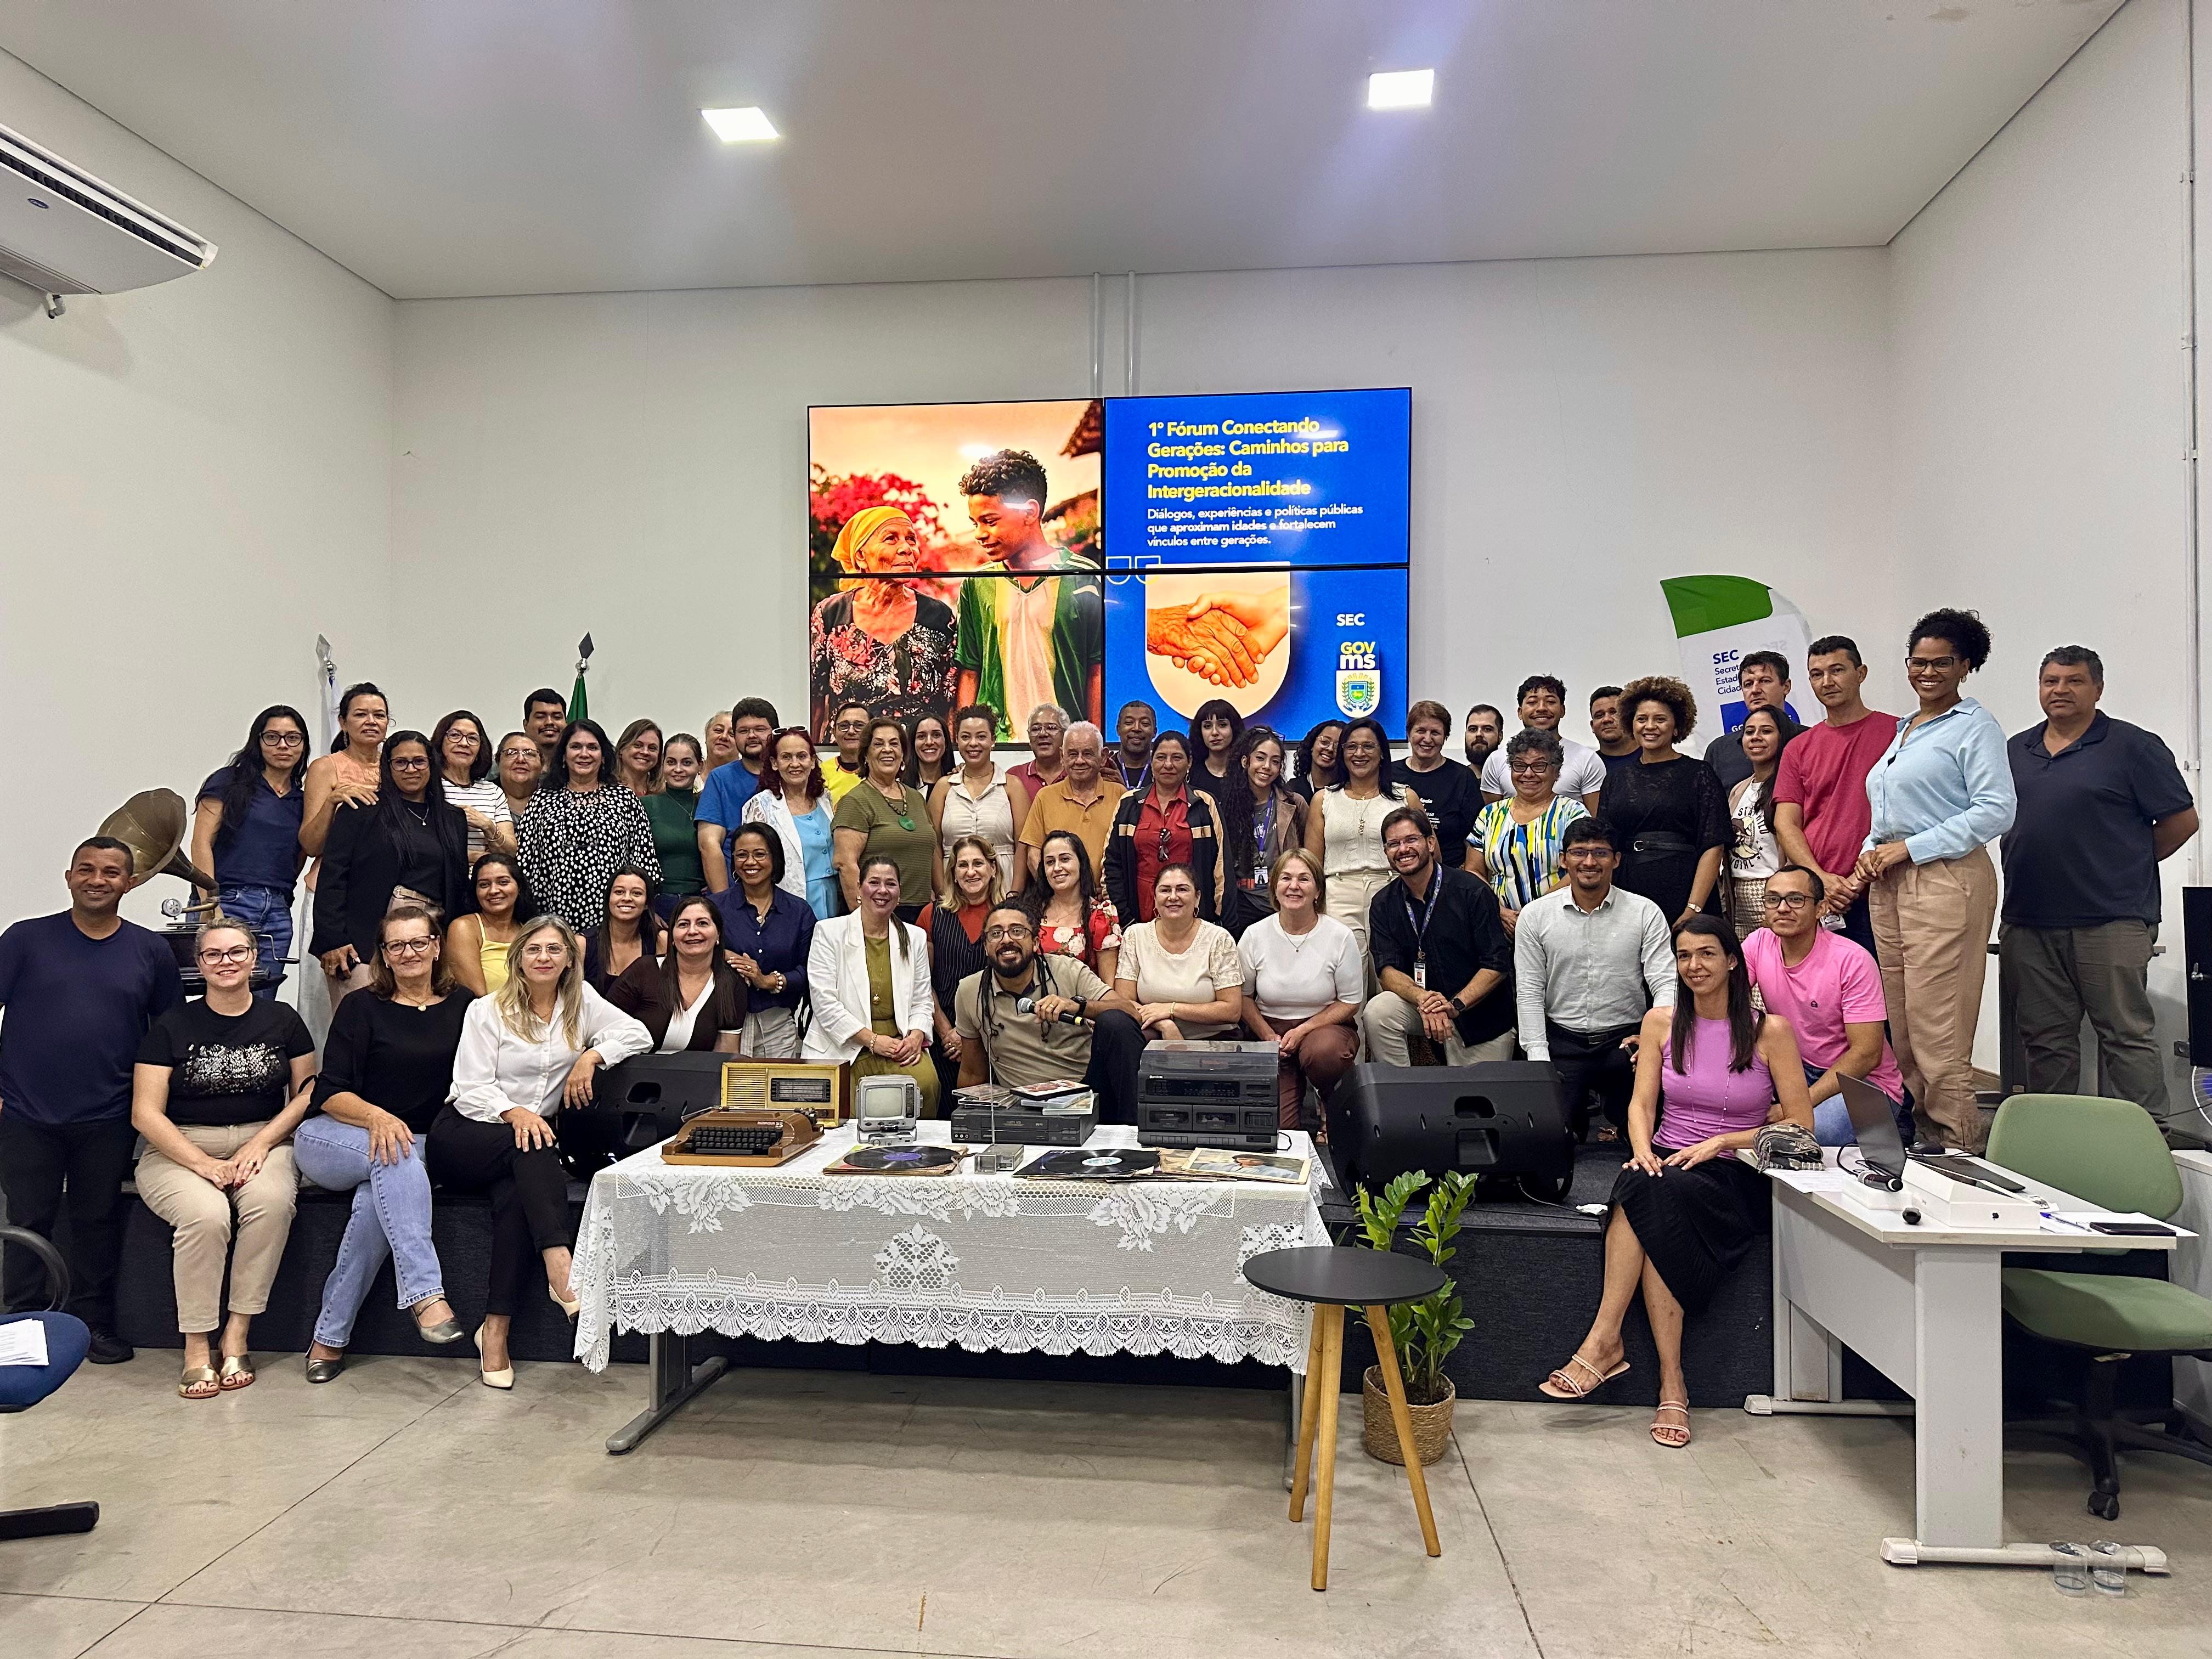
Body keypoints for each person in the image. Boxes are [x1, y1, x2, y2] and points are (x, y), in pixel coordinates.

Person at [1536, 915, 1814, 1447]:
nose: (1694, 966)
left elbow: (1801, 1125)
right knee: (1646, 1182)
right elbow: (1640, 1105)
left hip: (1734, 1173)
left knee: (1645, 1194)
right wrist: (1641, 1148)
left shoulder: (1768, 1031)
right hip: (1664, 1162)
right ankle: (1670, 1382)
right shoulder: (1661, 1022)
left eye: (1707, 954)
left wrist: (1723, 1142)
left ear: (1733, 961)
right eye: (1684, 956)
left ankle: (1605, 1343)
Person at [433, 915, 650, 1386]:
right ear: (518, 959)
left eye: (554, 950)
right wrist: (516, 1113)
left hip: (523, 1148)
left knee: (516, 1194)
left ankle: (495, 1332)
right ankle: (562, 1265)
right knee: (534, 1146)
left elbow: (638, 1034)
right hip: (466, 1135)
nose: (544, 958)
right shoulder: (487, 1010)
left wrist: (592, 1056)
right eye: (534, 950)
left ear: (570, 960)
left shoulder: (583, 1004)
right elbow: (469, 1088)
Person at [0, 838, 183, 1364]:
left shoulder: (150, 950)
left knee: (97, 1221)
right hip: (25, 1113)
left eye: (110, 872)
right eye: (87, 870)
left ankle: (91, 1325)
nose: (97, 880)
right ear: (69, 877)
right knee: (26, 1220)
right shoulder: (24, 940)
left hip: (108, 1115)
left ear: (130, 883)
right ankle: (19, 1329)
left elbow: (166, 1034)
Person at [2001, 645, 2197, 1114]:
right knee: (2046, 1042)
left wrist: (2122, 862)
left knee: (2125, 1037)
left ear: (2098, 689)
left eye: (2074, 681)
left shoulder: (2134, 746)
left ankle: (2147, 1147)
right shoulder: (2015, 749)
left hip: (2111, 921)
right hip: (2028, 920)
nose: (2061, 690)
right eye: (2051, 682)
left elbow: (2182, 822)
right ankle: (2053, 1148)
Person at [132, 917, 317, 1397]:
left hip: (266, 1138)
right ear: (199, 964)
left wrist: (262, 1143)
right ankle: (196, 1346)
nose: (226, 963)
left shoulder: (285, 1021)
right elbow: (145, 1114)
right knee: (206, 1215)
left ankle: (237, 1333)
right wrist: (202, 1164)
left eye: (236, 953)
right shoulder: (171, 1026)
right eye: (213, 955)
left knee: (272, 1204)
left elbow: (308, 1095)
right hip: (179, 1145)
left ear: (255, 960)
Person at [1856, 608, 2016, 1150]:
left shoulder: (1975, 726)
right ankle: (1926, 1141)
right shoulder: (1906, 729)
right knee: (1901, 1027)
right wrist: (1871, 852)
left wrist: (1910, 848)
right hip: (1893, 881)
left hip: (1946, 878)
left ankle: (1959, 1149)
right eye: (1918, 663)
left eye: (1941, 663)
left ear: (1965, 666)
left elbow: (1996, 809)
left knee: (1937, 1029)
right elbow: (1888, 817)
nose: (1927, 672)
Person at [294, 905, 471, 1382]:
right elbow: (328, 1091)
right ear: (385, 957)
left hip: (419, 1146)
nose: (409, 952)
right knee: (396, 1156)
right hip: (336, 1136)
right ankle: (425, 1294)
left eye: (419, 942)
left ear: (437, 948)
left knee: (380, 1197)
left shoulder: (467, 1007)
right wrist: (377, 1118)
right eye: (397, 945)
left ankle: (328, 1338)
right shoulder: (361, 1007)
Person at [1516, 817, 1678, 1137]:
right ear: (1563, 860)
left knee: (1649, 1136)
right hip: (1562, 1042)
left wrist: (1654, 1040)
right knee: (1551, 1137)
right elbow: (1529, 993)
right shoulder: (1535, 916)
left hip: (1626, 1043)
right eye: (1579, 853)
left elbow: (1665, 981)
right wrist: (1539, 1060)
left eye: (1601, 853)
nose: (1589, 862)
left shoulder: (1645, 912)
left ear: (1616, 860)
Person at [1741, 866, 1910, 1147]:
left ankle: (1889, 1131)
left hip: (1864, 1085)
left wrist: (1796, 1105)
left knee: (1798, 1138)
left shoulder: (1852, 959)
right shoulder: (1759, 942)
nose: (1782, 908)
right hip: (1794, 1071)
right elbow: (1722, 1002)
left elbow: (1867, 1055)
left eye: (1796, 899)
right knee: (1729, 1117)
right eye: (1773, 899)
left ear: (1820, 909)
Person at [311, 731, 472, 1014]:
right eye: (401, 763)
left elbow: (458, 886)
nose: (411, 769)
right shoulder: (362, 810)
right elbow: (333, 876)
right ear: (388, 766)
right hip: (363, 944)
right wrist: (333, 939)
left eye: (419, 762)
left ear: (432, 765)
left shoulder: (453, 819)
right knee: (362, 1030)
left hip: (429, 942)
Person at [954, 449, 1104, 732]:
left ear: (1030, 512)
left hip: (1066, 750)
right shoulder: (976, 584)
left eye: (990, 520)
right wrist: (964, 748)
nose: (979, 534)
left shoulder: (1083, 577)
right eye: (976, 523)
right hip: (997, 752)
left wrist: (1093, 744)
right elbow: (970, 672)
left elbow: (1096, 671)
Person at [955, 903, 1146, 1124]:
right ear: (986, 946)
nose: (1007, 940)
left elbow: (1132, 1013)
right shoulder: (970, 991)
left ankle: (1137, 1134)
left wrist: (1078, 1006)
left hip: (1089, 1091)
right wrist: (965, 1126)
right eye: (996, 934)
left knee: (1115, 1021)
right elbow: (972, 1072)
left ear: (1036, 942)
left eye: (1017, 931)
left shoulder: (1068, 970)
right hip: (1024, 1105)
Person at [1363, 807, 1515, 1065]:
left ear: (1431, 843)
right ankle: (1401, 1092)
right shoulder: (1383, 903)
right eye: (1394, 844)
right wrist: (1424, 999)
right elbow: (1387, 970)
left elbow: (1496, 965)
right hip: (1423, 1006)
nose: (1403, 849)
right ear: (1387, 852)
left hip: (1478, 1014)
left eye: (1411, 840)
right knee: (1379, 1011)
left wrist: (1455, 1005)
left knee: (1476, 1104)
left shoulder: (1472, 891)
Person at [1772, 636, 1894, 956]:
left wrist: (1856, 880)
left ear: (1861, 673)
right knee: (1820, 999)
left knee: (1884, 997)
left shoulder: (1898, 733)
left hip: (1884, 891)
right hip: (1819, 899)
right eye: (1816, 674)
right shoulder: (1799, 747)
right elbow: (1786, 824)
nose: (1827, 682)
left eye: (1837, 670)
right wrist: (1821, 878)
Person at [803, 853, 940, 1114]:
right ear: (859, 888)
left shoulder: (915, 937)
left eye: (891, 884)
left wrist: (916, 1036)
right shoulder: (828, 932)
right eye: (874, 882)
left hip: (900, 1044)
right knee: (845, 1106)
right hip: (844, 1045)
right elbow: (824, 1005)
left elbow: (923, 1000)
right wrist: (874, 1041)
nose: (882, 891)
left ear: (899, 892)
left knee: (927, 1084)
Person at [1241, 848, 1363, 1130]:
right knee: (1280, 1131)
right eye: (1286, 878)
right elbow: (1244, 997)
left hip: (1324, 1032)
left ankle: (1332, 1101)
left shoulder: (1340, 936)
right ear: (1275, 888)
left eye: (1304, 879)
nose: (1294, 886)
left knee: (1323, 1053)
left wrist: (1303, 1030)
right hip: (1271, 1034)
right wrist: (1267, 1035)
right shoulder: (1254, 935)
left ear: (1318, 890)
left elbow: (1350, 1002)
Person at [191, 704, 309, 985]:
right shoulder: (228, 781)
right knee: (222, 993)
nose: (283, 745)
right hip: (228, 900)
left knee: (264, 1002)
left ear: (303, 746)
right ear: (257, 742)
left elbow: (301, 853)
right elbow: (200, 843)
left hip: (278, 912)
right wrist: (210, 905)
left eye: (293, 738)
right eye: (272, 737)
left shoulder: (301, 800)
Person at [1597, 676, 1730, 927]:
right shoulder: (1616, 779)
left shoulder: (1700, 774)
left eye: (1660, 719)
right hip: (1628, 896)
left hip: (1686, 890)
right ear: (1630, 724)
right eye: (1642, 719)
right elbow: (1605, 845)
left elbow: (1714, 847)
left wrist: (1694, 908)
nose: (1650, 726)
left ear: (1677, 726)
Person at [812, 507, 958, 731]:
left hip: (920, 758)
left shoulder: (939, 617)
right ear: (861, 556)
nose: (907, 549)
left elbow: (950, 704)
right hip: (852, 760)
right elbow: (815, 700)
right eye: (891, 539)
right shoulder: (831, 614)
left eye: (911, 539)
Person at [518, 717, 659, 932]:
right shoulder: (542, 800)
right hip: (553, 921)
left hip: (615, 923)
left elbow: (644, 864)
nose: (584, 754)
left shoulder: (625, 799)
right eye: (576, 747)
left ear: (603, 757)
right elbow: (528, 866)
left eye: (592, 748)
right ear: (564, 756)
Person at [1304, 717, 1415, 960]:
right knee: (1345, 974)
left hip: (1393, 892)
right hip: (1338, 897)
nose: (1359, 753)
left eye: (1368, 746)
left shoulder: (1404, 797)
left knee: (1390, 973)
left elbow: (1429, 855)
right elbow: (1312, 863)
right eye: (1351, 747)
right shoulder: (1324, 800)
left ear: (1383, 753)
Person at [1467, 728, 1589, 934]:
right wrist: (1499, 911)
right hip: (1499, 926)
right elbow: (1474, 871)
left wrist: (1531, 913)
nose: (1528, 773)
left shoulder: (1573, 814)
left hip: (1558, 925)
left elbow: (1581, 870)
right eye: (1520, 766)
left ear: (1556, 771)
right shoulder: (1489, 815)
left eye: (1539, 766)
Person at [713, 824, 816, 1059]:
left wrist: (768, 981)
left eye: (760, 854)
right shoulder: (716, 908)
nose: (750, 862)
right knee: (730, 1094)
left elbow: (811, 972)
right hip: (724, 1023)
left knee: (774, 1093)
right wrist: (723, 955)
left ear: (775, 859)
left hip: (778, 1023)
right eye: (742, 855)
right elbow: (688, 951)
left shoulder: (798, 912)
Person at [1105, 730, 1224, 924]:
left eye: (1177, 758)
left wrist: (1218, 918)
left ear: (1189, 763)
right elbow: (1112, 864)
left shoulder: (1204, 804)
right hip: (1138, 914)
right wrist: (1125, 919)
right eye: (1161, 757)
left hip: (1193, 914)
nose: (1168, 765)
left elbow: (1220, 866)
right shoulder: (1129, 804)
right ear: (1152, 762)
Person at [1115, 864, 1245, 1040]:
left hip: (1215, 1039)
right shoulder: (1135, 936)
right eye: (1165, 890)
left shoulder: (1219, 939)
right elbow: (1124, 1003)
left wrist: (1171, 1009)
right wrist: (1164, 1023)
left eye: (1182, 890)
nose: (1173, 897)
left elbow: (1232, 1010)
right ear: (1154, 898)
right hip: (1155, 1035)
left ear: (1197, 898)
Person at [832, 717, 943, 921]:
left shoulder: (916, 797)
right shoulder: (855, 801)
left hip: (925, 912)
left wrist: (944, 902)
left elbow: (932, 851)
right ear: (866, 754)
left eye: (894, 744)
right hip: (879, 912)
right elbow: (846, 864)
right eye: (878, 744)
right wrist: (863, 919)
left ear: (903, 755)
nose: (887, 750)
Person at [607, 895, 749, 1052]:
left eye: (702, 923)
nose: (693, 931)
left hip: (694, 1074)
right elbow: (604, 1028)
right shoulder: (644, 970)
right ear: (673, 937)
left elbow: (726, 1052)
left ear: (718, 935)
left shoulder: (732, 983)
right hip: (631, 1072)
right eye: (683, 925)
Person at [924, 837, 1002, 1097]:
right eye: (963, 865)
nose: (971, 872)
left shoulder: (1009, 916)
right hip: (943, 1037)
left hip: (995, 1035)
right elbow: (923, 982)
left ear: (993, 869)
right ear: (954, 874)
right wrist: (947, 1032)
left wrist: (971, 1036)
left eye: (978, 863)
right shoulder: (932, 915)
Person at [741, 727, 840, 917]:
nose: (795, 764)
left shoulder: (825, 799)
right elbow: (752, 862)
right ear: (774, 763)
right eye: (786, 757)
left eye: (802, 756)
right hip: (787, 900)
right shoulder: (761, 806)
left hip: (832, 896)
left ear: (812, 762)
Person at [1217, 725, 1307, 932]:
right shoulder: (1226, 805)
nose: (1267, 767)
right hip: (1243, 904)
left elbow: (1307, 853)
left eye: (1275, 762)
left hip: (1284, 901)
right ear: (1245, 761)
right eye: (1260, 758)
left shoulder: (1295, 803)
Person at [931, 705, 1029, 892]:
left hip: (1002, 891)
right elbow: (934, 846)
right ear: (957, 740)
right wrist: (942, 893)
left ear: (993, 740)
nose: (973, 744)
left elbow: (1023, 845)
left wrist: (1015, 893)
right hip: (954, 893)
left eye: (981, 737)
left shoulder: (1013, 786)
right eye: (966, 737)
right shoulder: (944, 788)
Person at [1017, 720, 1122, 887]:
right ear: (1062, 757)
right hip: (1059, 903)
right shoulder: (1045, 797)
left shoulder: (1121, 796)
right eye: (1073, 754)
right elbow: (1033, 855)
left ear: (1103, 757)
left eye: (1088, 754)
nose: (1079, 761)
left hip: (1110, 902)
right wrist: (1057, 893)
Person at [1724, 707, 1798, 939]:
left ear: (1782, 737)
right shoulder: (1738, 790)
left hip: (1776, 890)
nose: (1756, 737)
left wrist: (1782, 895)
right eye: (1749, 732)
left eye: (1766, 731)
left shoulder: (1791, 786)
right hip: (1738, 894)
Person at [1480, 677, 1607, 809]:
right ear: (1520, 712)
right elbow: (1492, 818)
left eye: (1550, 702)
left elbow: (1594, 821)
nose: (1541, 708)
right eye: (1533, 702)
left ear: (1563, 710)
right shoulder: (1496, 760)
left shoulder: (1587, 759)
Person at [693, 697, 780, 888]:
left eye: (759, 729)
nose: (751, 736)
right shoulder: (720, 779)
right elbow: (709, 845)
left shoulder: (788, 775)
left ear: (774, 733)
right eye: (743, 731)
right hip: (737, 891)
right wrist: (724, 901)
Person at [300, 682, 388, 862]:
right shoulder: (325, 767)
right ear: (343, 723)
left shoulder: (396, 767)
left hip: (386, 882)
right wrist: (332, 801)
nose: (371, 721)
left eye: (379, 715)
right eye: (361, 714)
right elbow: (311, 846)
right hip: (333, 880)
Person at [1025, 828, 1123, 982]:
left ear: (1081, 863)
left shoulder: (1101, 916)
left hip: (1085, 1003)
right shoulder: (1030, 912)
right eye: (1050, 862)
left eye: (1065, 859)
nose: (1057, 868)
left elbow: (1108, 988)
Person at [1703, 651, 1806, 791]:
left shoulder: (1811, 740)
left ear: (1786, 686)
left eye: (1764, 681)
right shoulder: (1719, 751)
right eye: (1748, 684)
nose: (1755, 690)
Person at [1393, 699, 1480, 862]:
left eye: (1435, 733)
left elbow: (1475, 838)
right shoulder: (1390, 775)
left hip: (1451, 870)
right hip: (1398, 870)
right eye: (1421, 731)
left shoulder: (1463, 777)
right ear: (1408, 733)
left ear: (1445, 737)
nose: (1427, 739)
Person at [431, 710, 516, 865]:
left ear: (479, 750)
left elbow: (510, 852)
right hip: (441, 881)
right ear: (440, 742)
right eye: (455, 735)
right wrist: (476, 857)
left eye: (472, 738)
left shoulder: (493, 792)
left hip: (485, 883)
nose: (464, 744)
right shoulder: (429, 786)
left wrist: (486, 825)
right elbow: (424, 847)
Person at [446, 853, 534, 997]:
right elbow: (477, 998)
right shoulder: (464, 927)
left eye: (503, 882)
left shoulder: (530, 930)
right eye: (484, 885)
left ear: (519, 887)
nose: (493, 891)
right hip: (487, 1017)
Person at [642, 732, 707, 914]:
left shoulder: (708, 805)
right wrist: (648, 910)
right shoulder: (647, 804)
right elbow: (633, 861)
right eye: (671, 762)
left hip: (700, 903)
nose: (678, 769)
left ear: (700, 766)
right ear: (662, 765)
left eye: (687, 763)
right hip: (658, 902)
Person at [584, 867, 666, 992]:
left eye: (637, 893)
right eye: (619, 892)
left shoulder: (660, 941)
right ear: (608, 899)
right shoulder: (582, 944)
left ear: (647, 904)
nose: (627, 898)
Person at [1007, 702, 1068, 798]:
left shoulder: (1077, 775)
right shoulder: (1014, 776)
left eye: (1051, 728)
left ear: (1065, 735)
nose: (1043, 734)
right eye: (1036, 729)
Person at [818, 700, 872, 804]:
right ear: (834, 731)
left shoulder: (880, 771)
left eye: (859, 725)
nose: (851, 731)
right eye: (844, 726)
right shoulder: (820, 773)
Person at [1191, 698, 1246, 797]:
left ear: (1234, 729)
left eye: (1222, 725)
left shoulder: (1246, 771)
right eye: (1208, 726)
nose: (1215, 732)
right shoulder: (1190, 772)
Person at [494, 730, 542, 828]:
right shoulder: (484, 799)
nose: (520, 760)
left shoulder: (558, 801)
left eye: (529, 754)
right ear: (498, 762)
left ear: (542, 764)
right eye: (512, 753)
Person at [1290, 719, 1345, 801]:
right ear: (1312, 744)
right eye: (1324, 741)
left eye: (1338, 746)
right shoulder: (1291, 790)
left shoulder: (1348, 792)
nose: (1330, 749)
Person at [1587, 687, 1638, 773]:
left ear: (1630, 719)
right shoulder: (1586, 766)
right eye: (1600, 715)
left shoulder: (1654, 758)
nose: (1607, 719)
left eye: (1614, 712)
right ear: (1592, 726)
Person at [1110, 699, 1156, 792]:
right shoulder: (1106, 769)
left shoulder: (1163, 770)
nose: (1136, 728)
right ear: (1118, 730)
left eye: (1145, 724)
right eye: (1129, 723)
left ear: (1154, 732)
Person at [613, 718, 664, 798]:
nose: (645, 752)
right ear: (622, 749)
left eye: (652, 748)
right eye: (638, 745)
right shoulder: (605, 790)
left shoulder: (663, 794)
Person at [522, 689, 567, 769]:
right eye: (540, 717)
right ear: (526, 725)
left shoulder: (576, 766)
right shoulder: (516, 763)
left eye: (557, 717)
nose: (549, 722)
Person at [907, 712, 953, 792]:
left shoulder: (959, 784)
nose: (929, 742)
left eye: (936, 735)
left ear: (946, 743)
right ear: (913, 744)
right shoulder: (898, 788)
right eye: (921, 736)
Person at [1463, 704, 1505, 776]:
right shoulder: (1455, 781)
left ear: (1500, 736)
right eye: (1473, 729)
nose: (1479, 734)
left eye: (1487, 729)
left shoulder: (1513, 780)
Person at [702, 710, 740, 775]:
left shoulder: (754, 779)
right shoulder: (688, 776)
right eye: (718, 730)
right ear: (706, 735)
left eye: (732, 734)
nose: (724, 737)